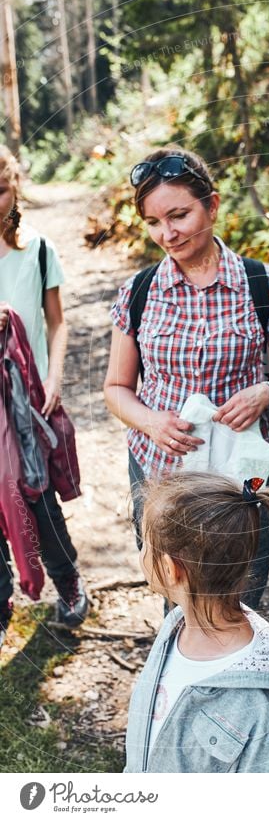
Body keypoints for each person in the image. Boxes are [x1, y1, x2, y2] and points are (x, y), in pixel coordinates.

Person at [104, 146, 269, 608]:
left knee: (242, 586)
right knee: (176, 588)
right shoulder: (138, 292)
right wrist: (152, 422)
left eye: (178, 215)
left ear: (211, 205)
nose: (167, 234)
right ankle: (182, 671)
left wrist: (266, 392)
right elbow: (116, 389)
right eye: (154, 223)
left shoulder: (262, 284)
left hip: (243, 470)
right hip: (160, 468)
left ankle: (238, 671)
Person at [124, 471, 269, 773]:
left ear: (169, 569)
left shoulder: (256, 705)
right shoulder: (174, 627)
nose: (141, 554)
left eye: (146, 545)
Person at [0, 145, 87, 648]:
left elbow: (57, 323)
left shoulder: (36, 250)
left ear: (15, 188)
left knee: (37, 498)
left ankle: (68, 583)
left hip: (29, 399)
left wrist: (53, 377)